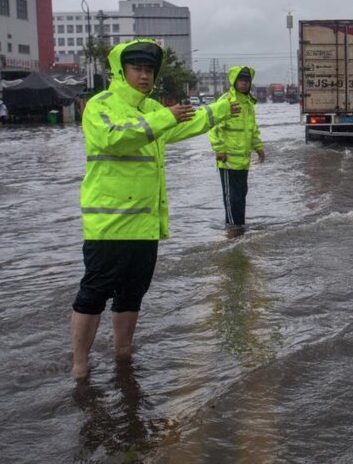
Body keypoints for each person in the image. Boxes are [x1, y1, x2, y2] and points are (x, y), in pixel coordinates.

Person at [70, 38, 239, 379]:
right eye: (137, 69)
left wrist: (220, 109)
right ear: (121, 71)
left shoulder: (151, 111)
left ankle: (123, 352)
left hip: (145, 223)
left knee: (132, 294)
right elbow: (115, 138)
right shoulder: (101, 105)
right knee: (94, 292)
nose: (144, 76)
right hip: (109, 224)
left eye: (149, 70)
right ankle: (79, 363)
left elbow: (185, 123)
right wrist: (164, 117)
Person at [208, 65, 264, 231]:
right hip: (228, 161)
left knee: (241, 196)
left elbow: (252, 129)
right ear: (234, 81)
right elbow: (214, 128)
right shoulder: (226, 102)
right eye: (241, 80)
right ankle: (233, 230)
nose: (244, 84)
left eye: (247, 81)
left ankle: (240, 226)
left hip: (243, 161)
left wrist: (259, 147)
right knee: (231, 198)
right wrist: (219, 150)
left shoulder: (248, 104)